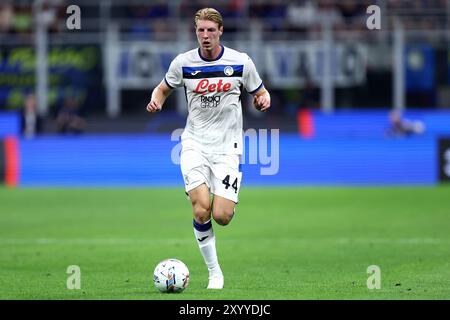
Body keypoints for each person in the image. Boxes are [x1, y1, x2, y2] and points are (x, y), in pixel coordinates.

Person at [146, 7, 270, 289]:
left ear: (220, 31)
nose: (205, 36)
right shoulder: (183, 63)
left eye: (210, 31)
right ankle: (215, 273)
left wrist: (263, 100)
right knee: (201, 209)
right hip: (194, 144)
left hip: (228, 149)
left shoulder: (240, 62)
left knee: (222, 216)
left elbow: (261, 91)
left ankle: (228, 200)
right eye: (200, 30)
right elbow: (162, 88)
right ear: (196, 32)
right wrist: (157, 100)